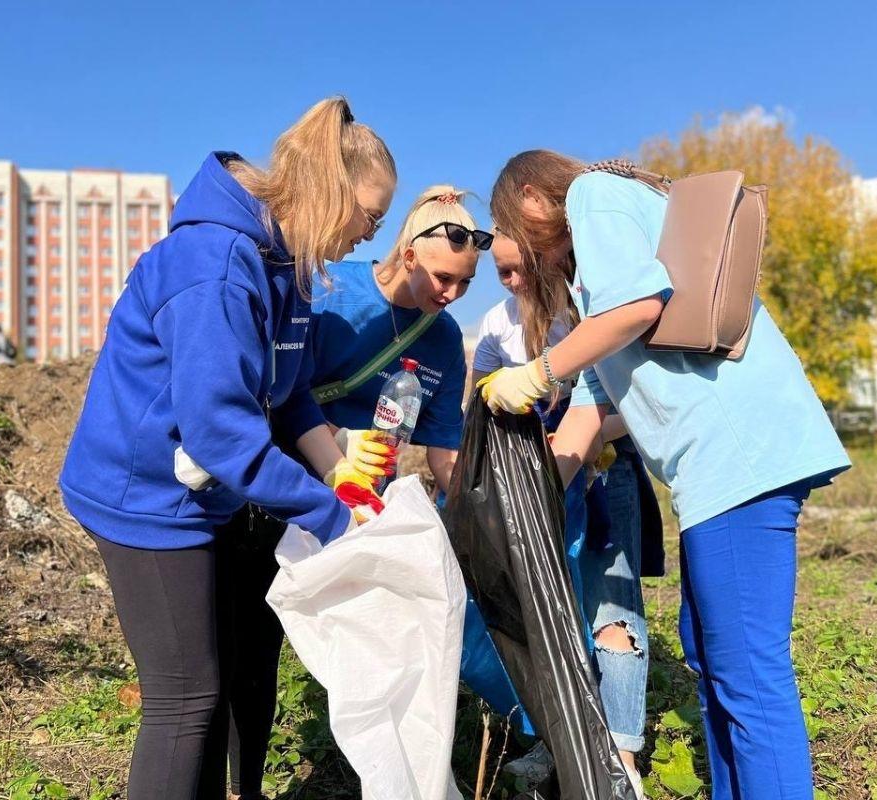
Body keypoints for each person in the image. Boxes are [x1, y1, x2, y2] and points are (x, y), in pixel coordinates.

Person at [479, 151, 851, 800]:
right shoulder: (600, 284)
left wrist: (538, 374)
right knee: (710, 656)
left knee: (747, 677)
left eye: (514, 222)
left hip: (739, 460)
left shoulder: (593, 195)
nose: (528, 253)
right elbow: (591, 411)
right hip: (722, 470)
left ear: (535, 196)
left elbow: (637, 307)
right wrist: (528, 503)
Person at [59, 97, 398, 800]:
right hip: (141, 495)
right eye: (370, 215)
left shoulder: (289, 265)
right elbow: (221, 432)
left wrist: (338, 476)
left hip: (195, 490)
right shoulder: (216, 265)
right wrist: (331, 522)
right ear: (331, 193)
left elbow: (292, 390)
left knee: (208, 685)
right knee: (185, 699)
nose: (369, 235)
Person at [221, 185, 484, 799]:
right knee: (250, 637)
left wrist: (469, 517)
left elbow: (444, 445)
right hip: (282, 486)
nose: (450, 296)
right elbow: (276, 389)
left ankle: (390, 774)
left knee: (375, 641)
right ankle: (243, 783)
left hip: (365, 511)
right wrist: (338, 441)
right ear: (410, 253)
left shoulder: (443, 339)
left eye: (465, 285)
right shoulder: (331, 289)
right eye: (444, 278)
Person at [471, 231, 664, 792]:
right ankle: (560, 744)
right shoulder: (494, 326)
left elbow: (631, 396)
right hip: (532, 481)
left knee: (611, 607)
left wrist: (586, 443)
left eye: (521, 269)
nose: (513, 282)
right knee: (550, 613)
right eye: (502, 272)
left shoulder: (589, 313)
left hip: (603, 470)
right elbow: (477, 406)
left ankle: (621, 754)